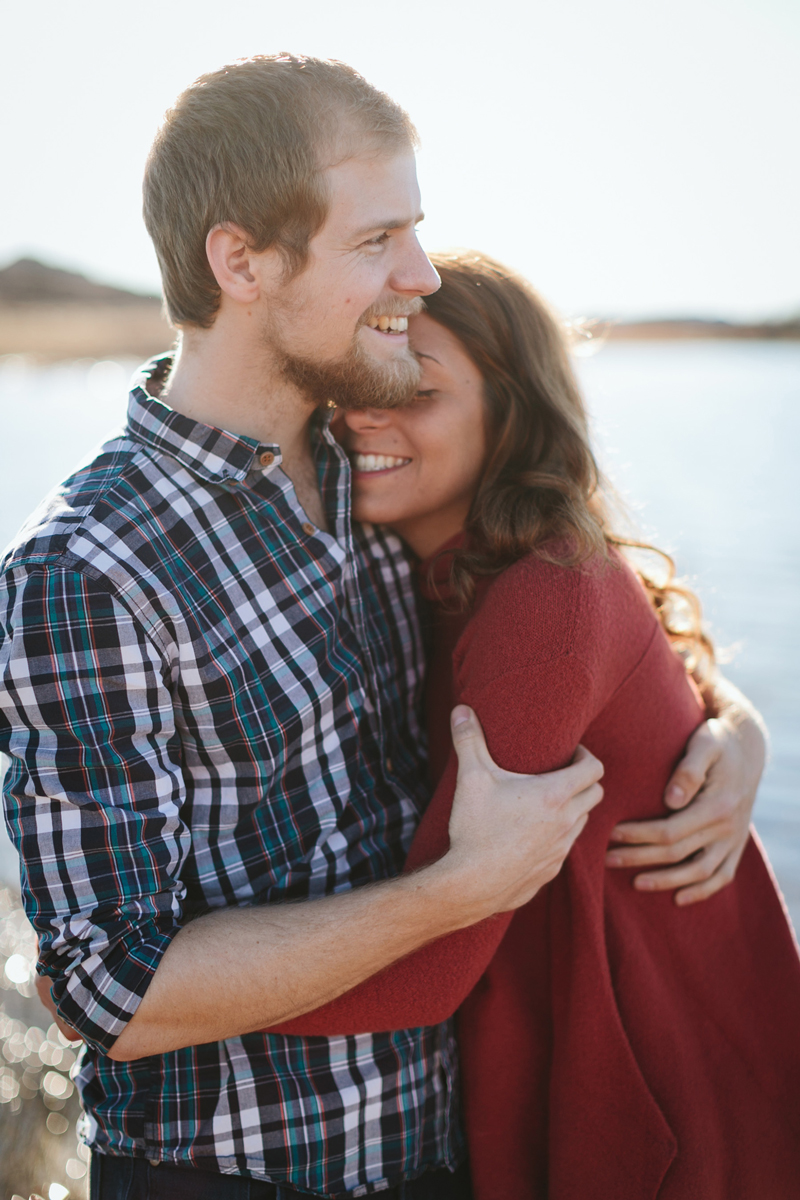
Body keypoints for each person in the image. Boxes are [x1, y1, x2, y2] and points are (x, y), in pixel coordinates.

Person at [0, 57, 766, 1200]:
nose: (414, 273)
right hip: (234, 1175)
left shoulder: (362, 469)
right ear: (241, 261)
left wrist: (728, 726)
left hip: (440, 1149)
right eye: (377, 241)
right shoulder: (89, 570)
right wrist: (456, 893)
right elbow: (114, 993)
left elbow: (568, 619)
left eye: (415, 232)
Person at [273, 250, 798, 1198]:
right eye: (353, 387)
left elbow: (434, 963)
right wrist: (738, 720)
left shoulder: (542, 597)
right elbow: (668, 679)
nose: (361, 416)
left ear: (508, 414)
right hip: (581, 1052)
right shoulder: (436, 576)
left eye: (415, 390)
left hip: (668, 1091)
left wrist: (153, 998)